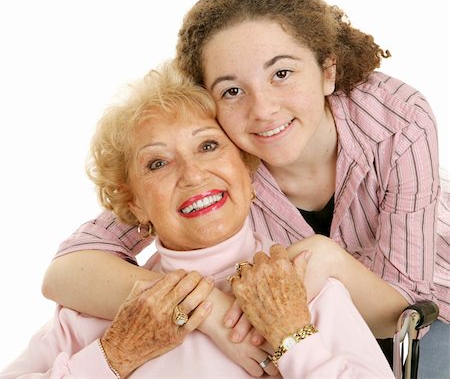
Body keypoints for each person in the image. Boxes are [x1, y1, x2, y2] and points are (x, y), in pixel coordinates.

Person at [41, 0, 449, 377]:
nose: (262, 109)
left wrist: (330, 261)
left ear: (328, 71)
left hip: (424, 314)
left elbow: (410, 311)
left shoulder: (397, 119)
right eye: (232, 90)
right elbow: (68, 269)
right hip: (285, 322)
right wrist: (207, 310)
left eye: (282, 74)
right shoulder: (214, 150)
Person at [0, 63, 394, 378]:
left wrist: (293, 339)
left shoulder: (301, 290)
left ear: (247, 168)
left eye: (208, 146)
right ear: (133, 204)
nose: (192, 174)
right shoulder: (98, 307)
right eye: (158, 163)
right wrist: (114, 356)